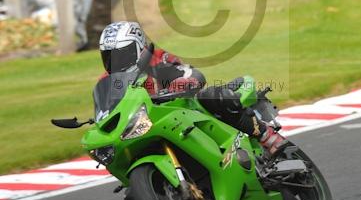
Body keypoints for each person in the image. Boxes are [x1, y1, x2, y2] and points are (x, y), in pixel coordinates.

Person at [99, 21, 288, 157]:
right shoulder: (108, 82)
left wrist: (181, 84)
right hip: (149, 124)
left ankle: (266, 135)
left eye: (122, 55)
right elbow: (108, 111)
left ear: (139, 48)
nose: (115, 62)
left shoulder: (155, 59)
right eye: (108, 56)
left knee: (211, 95)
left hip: (182, 107)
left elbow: (191, 74)